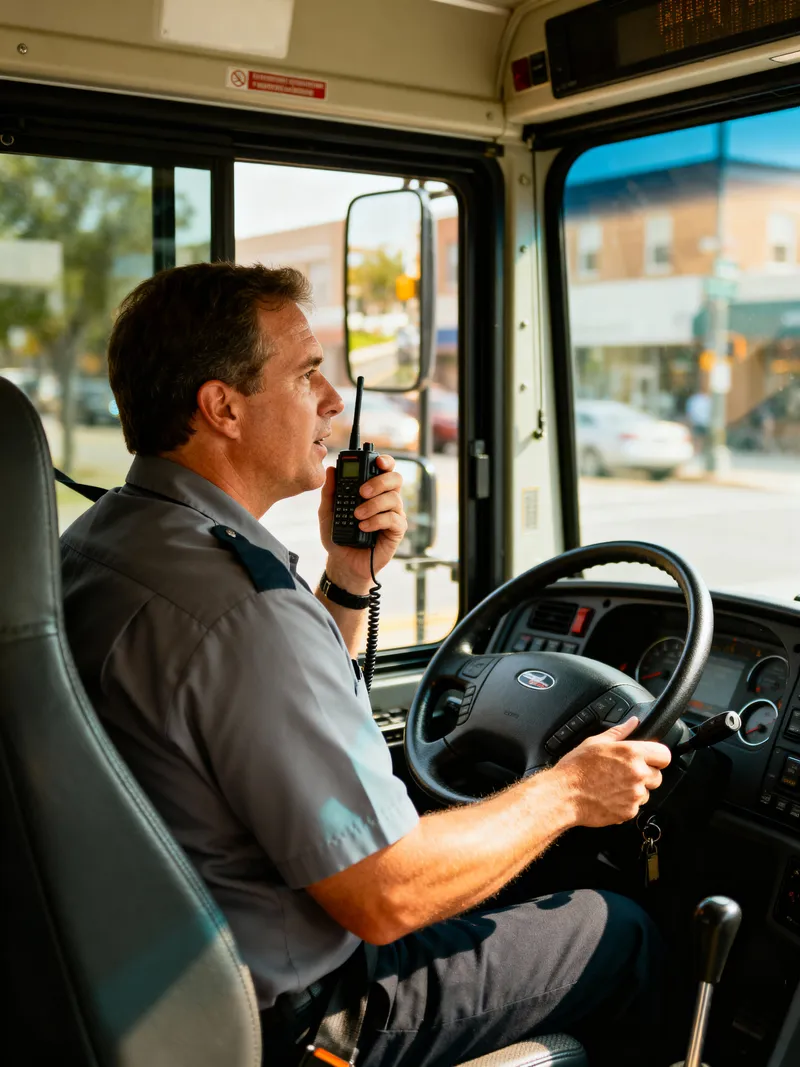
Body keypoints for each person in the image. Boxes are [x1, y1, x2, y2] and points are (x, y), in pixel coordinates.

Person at [61, 262, 671, 1067]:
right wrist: (568, 792)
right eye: (307, 373)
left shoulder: (104, 542)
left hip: (149, 970)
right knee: (618, 930)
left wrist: (347, 579)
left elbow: (258, 703)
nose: (332, 402)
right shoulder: (242, 608)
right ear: (223, 407)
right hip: (301, 1019)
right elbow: (386, 894)